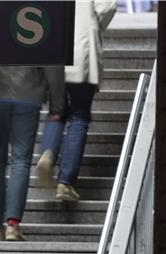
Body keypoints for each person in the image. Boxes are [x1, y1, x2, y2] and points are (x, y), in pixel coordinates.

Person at [0, 66, 64, 241]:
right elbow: (52, 61)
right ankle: (12, 225)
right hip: (28, 92)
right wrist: (57, 104)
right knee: (21, 161)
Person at [36, 0, 117, 201]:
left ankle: (48, 153)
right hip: (82, 49)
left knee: (57, 111)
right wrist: (95, 23)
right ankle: (65, 182)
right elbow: (107, 7)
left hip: (53, 50)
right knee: (79, 115)